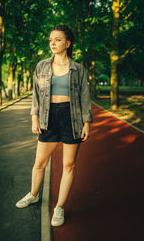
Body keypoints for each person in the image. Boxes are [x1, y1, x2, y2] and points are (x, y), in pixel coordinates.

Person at [15, 24, 93, 227]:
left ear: (68, 43)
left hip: (72, 117)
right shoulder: (41, 66)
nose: (53, 43)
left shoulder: (79, 69)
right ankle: (33, 194)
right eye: (50, 40)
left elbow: (85, 97)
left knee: (69, 165)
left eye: (57, 39)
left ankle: (59, 207)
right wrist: (34, 118)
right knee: (40, 163)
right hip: (48, 117)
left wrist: (86, 122)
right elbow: (35, 95)